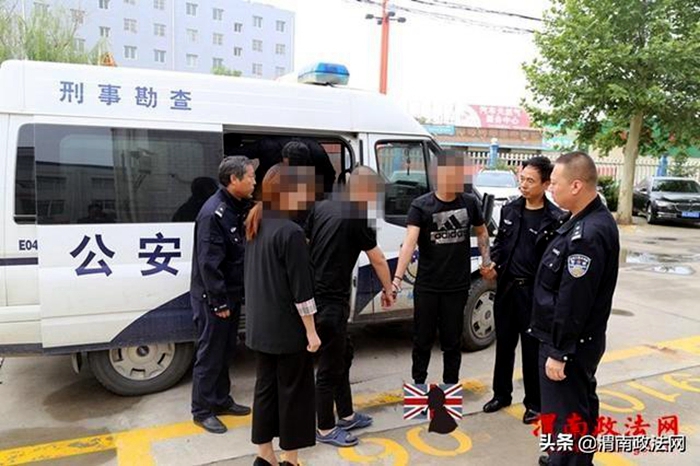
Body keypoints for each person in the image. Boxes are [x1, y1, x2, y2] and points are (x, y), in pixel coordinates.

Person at [530, 152, 620, 466]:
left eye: (555, 183)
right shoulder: (580, 220)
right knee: (577, 411)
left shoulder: (588, 235)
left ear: (577, 185)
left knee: (565, 419)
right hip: (574, 341)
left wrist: (559, 352)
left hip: (569, 344)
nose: (550, 188)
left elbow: (573, 301)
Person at [305, 166, 395, 448]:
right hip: (330, 303)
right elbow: (378, 259)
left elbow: (306, 243)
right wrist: (389, 289)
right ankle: (325, 428)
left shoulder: (321, 207)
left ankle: (346, 415)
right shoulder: (357, 216)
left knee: (343, 356)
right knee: (329, 367)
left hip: (317, 297)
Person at [244, 164, 322, 466]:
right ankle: (291, 459)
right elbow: (302, 290)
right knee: (295, 394)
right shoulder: (291, 232)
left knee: (265, 389)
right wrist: (311, 332)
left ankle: (264, 455)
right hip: (287, 329)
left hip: (260, 326)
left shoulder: (256, 221)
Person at [392, 151, 491, 385]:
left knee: (452, 343)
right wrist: (396, 280)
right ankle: (419, 388)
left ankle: (449, 390)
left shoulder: (469, 202)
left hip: (457, 287)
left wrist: (486, 261)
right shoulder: (421, 205)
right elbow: (409, 243)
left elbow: (482, 231)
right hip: (427, 286)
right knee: (422, 341)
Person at [481, 157, 563, 424]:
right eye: (522, 179)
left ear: (546, 184)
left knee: (531, 350)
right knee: (504, 346)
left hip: (533, 295)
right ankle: (501, 394)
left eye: (530, 181)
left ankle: (534, 404)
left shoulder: (555, 219)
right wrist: (492, 263)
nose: (524, 185)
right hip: (507, 289)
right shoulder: (510, 210)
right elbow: (501, 244)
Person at [190, 156, 256, 434]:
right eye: (250, 177)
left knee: (226, 350)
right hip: (215, 299)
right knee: (210, 354)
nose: (254, 181)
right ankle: (202, 410)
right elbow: (209, 263)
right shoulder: (213, 213)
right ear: (233, 179)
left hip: (231, 294)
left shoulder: (236, 206)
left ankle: (220, 400)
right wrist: (218, 302)